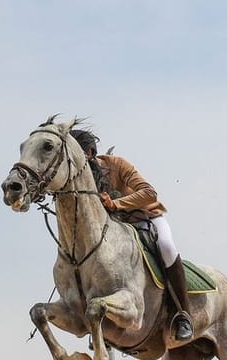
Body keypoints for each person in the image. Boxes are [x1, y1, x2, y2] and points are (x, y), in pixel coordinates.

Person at [70, 128, 194, 342]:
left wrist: (116, 203)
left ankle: (183, 315)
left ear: (89, 153)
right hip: (116, 229)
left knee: (166, 247)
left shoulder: (117, 165)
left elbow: (149, 193)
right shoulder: (81, 179)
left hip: (146, 218)